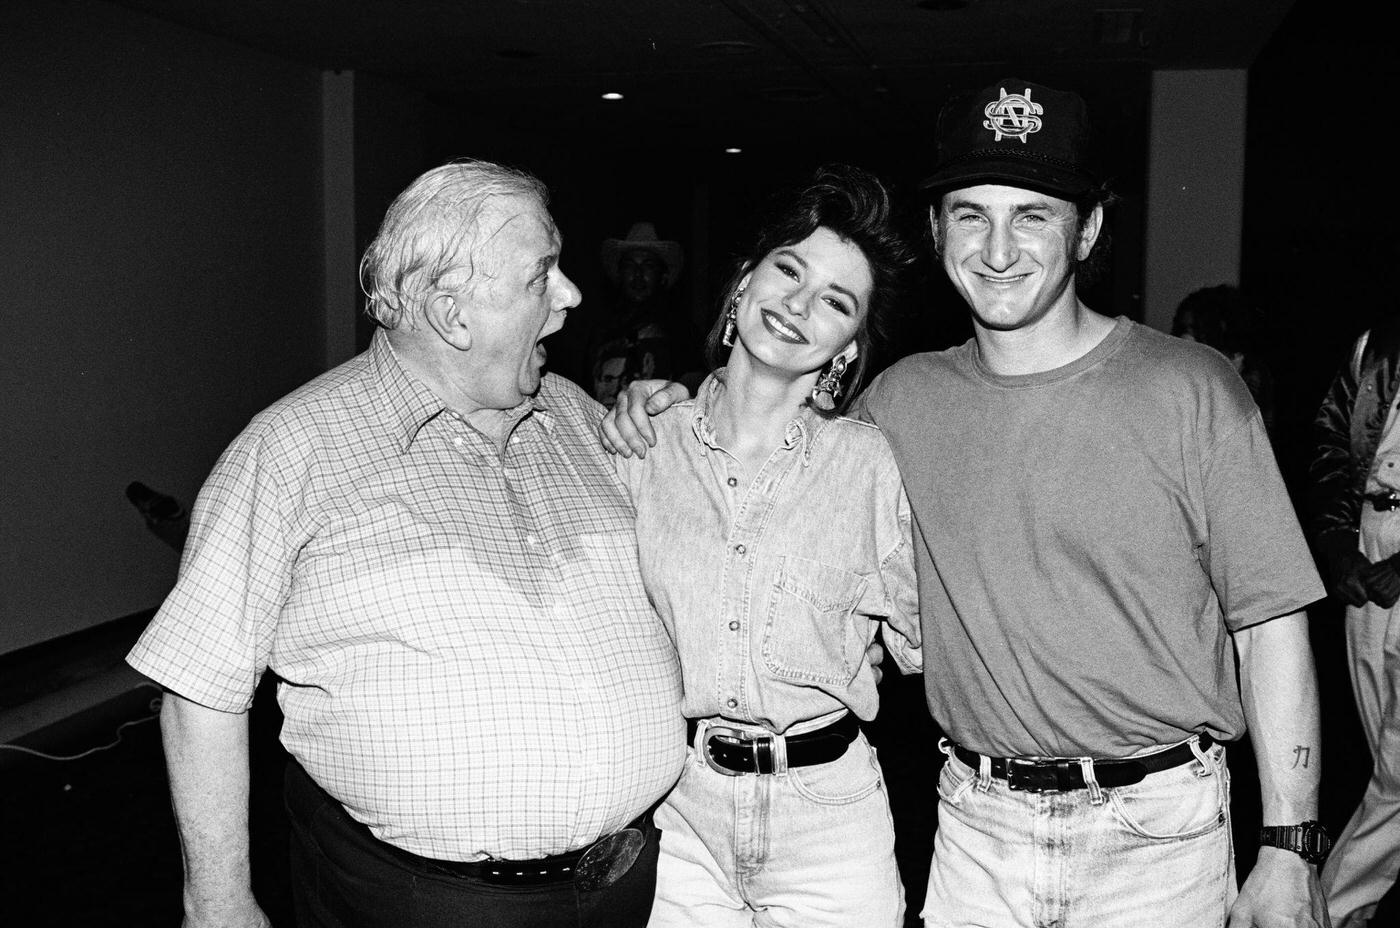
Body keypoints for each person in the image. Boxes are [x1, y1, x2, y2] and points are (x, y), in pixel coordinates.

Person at [603, 79, 1330, 928]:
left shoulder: (1190, 387)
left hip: (1159, 837)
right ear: (939, 229)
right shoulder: (898, 408)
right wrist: (659, 400)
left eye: (1033, 215)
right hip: (976, 832)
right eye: (971, 214)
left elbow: (1273, 622)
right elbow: (776, 443)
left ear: (1088, 230)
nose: (997, 249)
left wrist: (1290, 847)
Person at [126, 160, 688, 928]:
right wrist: (219, 903)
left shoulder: (578, 416)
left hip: (627, 883)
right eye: (541, 276)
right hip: (422, 904)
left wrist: (687, 434)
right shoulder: (295, 449)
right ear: (454, 314)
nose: (571, 297)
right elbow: (200, 688)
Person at [613, 165, 921, 927]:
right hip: (682, 811)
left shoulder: (868, 465)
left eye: (836, 302)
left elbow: (933, 643)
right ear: (744, 283)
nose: (798, 304)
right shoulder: (645, 445)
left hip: (830, 821)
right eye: (789, 270)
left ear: (848, 349)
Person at [1309, 317, 1400, 927]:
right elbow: (1330, 448)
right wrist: (1340, 544)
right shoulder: (1374, 347)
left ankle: (1322, 911)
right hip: (1371, 540)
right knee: (1386, 766)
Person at [583, 221, 705, 400]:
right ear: (620, 274)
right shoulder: (600, 330)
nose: (638, 274)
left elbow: (698, 381)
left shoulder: (682, 330)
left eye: (648, 265)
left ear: (662, 276)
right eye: (630, 266)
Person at [1172, 284, 1276, 434]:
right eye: (1183, 329)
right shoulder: (1178, 370)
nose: (1186, 338)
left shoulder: (1249, 377)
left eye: (1196, 330)